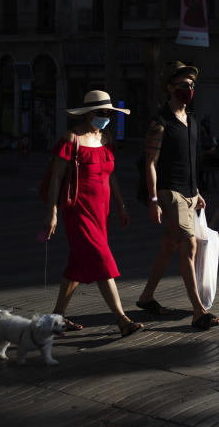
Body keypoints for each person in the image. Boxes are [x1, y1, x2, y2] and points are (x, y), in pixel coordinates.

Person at [43, 90, 143, 338]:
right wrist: (52, 212)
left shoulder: (106, 138)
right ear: (87, 113)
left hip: (102, 211)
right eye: (101, 113)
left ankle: (57, 317)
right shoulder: (72, 138)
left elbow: (111, 176)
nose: (105, 117)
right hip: (78, 209)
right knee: (101, 259)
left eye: (109, 113)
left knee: (78, 263)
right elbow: (56, 177)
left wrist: (121, 205)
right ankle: (122, 319)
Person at [137, 62, 219, 330]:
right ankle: (199, 312)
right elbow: (149, 162)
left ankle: (146, 296)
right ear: (170, 88)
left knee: (169, 246)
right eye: (184, 85)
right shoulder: (160, 122)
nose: (189, 89)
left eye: (192, 85)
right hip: (168, 192)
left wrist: (196, 191)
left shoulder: (192, 120)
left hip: (188, 193)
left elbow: (190, 160)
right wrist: (153, 200)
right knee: (189, 245)